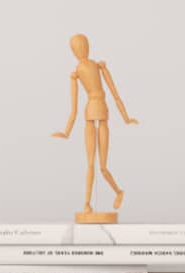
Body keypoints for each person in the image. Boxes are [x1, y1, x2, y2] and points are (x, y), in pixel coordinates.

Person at [52, 34, 138, 218]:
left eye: (82, 45)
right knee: (91, 164)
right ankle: (87, 204)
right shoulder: (77, 73)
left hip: (101, 110)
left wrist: (126, 118)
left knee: (102, 166)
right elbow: (73, 109)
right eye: (77, 47)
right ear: (74, 52)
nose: (81, 49)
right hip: (90, 113)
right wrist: (66, 132)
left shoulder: (99, 67)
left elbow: (115, 94)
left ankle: (118, 191)